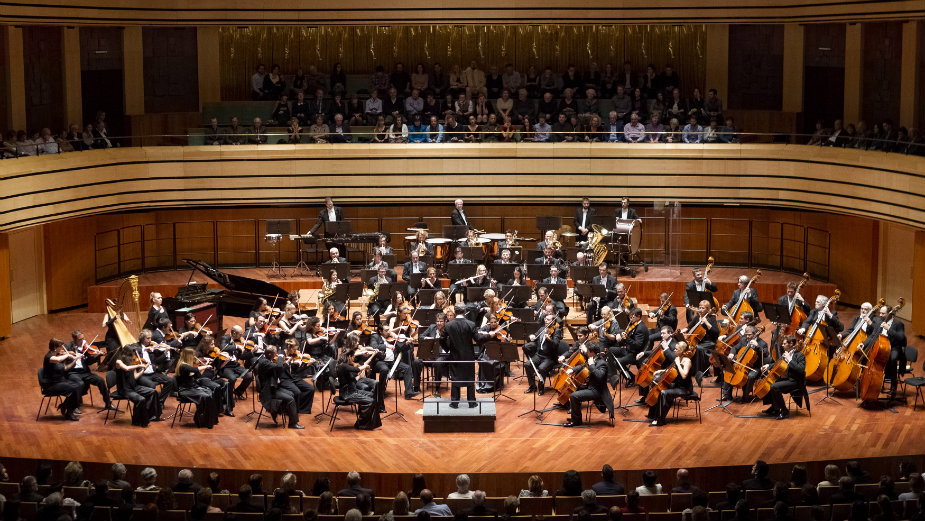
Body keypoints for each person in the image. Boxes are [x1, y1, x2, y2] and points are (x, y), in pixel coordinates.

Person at [64, 330, 117, 411]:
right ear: (74, 340)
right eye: (80, 339)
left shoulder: (85, 347)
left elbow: (88, 362)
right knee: (79, 384)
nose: (83, 341)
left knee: (101, 380)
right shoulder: (68, 347)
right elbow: (63, 360)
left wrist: (95, 356)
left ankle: (108, 404)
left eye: (83, 338)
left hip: (84, 372)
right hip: (73, 372)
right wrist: (72, 356)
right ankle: (74, 406)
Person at [254, 345, 304, 429]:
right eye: (275, 353)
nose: (277, 354)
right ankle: (292, 424)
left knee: (292, 393)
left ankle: (277, 411)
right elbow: (278, 367)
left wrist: (287, 362)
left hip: (273, 388)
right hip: (268, 392)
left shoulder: (269, 360)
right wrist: (281, 357)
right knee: (291, 399)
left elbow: (280, 369)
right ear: (270, 354)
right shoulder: (264, 363)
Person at [564, 343, 614, 426]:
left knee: (574, 396)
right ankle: (575, 417)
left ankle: (576, 422)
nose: (586, 352)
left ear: (592, 352)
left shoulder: (602, 363)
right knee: (575, 389)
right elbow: (583, 366)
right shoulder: (593, 358)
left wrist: (592, 365)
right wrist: (572, 369)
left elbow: (599, 376)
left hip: (597, 391)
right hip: (590, 386)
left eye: (587, 351)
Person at [646, 341, 694, 427]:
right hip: (677, 385)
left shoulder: (687, 361)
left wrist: (678, 364)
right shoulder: (678, 358)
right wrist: (661, 371)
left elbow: (684, 375)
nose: (674, 350)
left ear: (682, 351)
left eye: (676, 349)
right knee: (662, 389)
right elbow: (671, 369)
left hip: (685, 389)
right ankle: (656, 416)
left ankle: (659, 420)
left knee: (663, 393)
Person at [759, 334, 806, 420]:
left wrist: (790, 360)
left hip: (795, 381)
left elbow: (800, 370)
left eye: (784, 343)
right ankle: (775, 407)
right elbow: (779, 363)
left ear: (791, 343)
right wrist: (768, 365)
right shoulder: (786, 354)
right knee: (768, 382)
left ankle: (784, 410)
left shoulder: (800, 355)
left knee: (774, 387)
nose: (782, 345)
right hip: (786, 379)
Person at [113, 346, 162, 427]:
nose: (133, 357)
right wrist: (138, 366)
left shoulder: (132, 363)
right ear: (125, 355)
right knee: (141, 399)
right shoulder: (119, 362)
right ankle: (138, 421)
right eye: (131, 355)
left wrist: (143, 369)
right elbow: (126, 368)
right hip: (124, 389)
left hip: (134, 387)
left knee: (153, 392)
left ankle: (153, 416)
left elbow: (135, 377)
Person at [443, 302, 479, 408]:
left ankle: (454, 402)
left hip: (454, 355)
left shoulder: (449, 325)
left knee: (455, 377)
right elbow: (478, 339)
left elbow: (441, 339)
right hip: (468, 356)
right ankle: (472, 402)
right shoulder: (471, 324)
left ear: (455, 311)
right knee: (470, 378)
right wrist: (488, 336)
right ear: (464, 311)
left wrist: (447, 348)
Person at [336, 348, 382, 430]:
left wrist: (362, 370)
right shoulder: (343, 366)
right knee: (370, 401)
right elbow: (357, 369)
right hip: (348, 394)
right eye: (353, 357)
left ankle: (369, 422)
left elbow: (355, 375)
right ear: (349, 357)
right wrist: (364, 366)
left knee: (373, 395)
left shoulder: (346, 366)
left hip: (353, 390)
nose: (353, 359)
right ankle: (361, 424)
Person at [523, 313, 564, 395]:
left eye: (548, 319)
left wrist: (549, 339)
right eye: (545, 319)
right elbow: (535, 335)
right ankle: (532, 387)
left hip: (549, 357)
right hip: (539, 355)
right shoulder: (542, 328)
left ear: (553, 321)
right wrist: (531, 336)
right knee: (527, 364)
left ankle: (541, 388)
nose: (545, 320)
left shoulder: (556, 331)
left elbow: (555, 344)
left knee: (542, 368)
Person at [42, 339, 83, 421]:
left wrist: (75, 360)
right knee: (75, 388)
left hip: (60, 381)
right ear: (54, 347)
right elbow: (57, 360)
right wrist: (67, 355)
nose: (62, 349)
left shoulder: (57, 355)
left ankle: (65, 406)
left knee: (79, 385)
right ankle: (69, 412)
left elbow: (65, 368)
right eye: (60, 347)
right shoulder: (49, 357)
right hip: (51, 384)